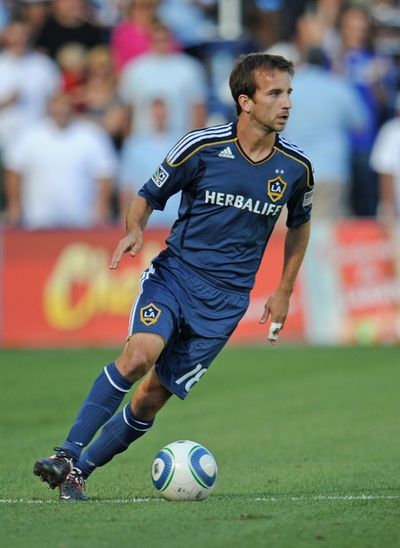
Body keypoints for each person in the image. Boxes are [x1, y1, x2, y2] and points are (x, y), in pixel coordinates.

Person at [33, 53, 314, 501]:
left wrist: (283, 290)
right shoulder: (201, 147)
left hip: (224, 304)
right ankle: (66, 453)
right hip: (176, 276)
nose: (286, 103)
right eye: (275, 93)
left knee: (149, 400)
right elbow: (147, 194)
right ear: (245, 101)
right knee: (139, 355)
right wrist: (134, 229)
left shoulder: (295, 168)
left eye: (289, 93)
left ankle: (78, 474)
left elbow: (300, 225)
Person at [4, 92, 117, 228]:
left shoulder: (91, 135)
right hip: (37, 220)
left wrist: (102, 208)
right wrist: (15, 205)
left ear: (72, 108)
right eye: (57, 108)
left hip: (81, 221)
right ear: (49, 108)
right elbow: (14, 170)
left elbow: (104, 174)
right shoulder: (30, 135)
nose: (61, 112)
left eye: (65, 107)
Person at [119, 22, 207, 136]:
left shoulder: (189, 68)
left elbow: (198, 110)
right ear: (149, 41)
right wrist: (129, 142)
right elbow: (128, 111)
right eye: (157, 40)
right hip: (142, 140)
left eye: (164, 39)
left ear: (172, 40)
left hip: (179, 139)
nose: (161, 44)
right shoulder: (134, 69)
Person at [370, 92, 400, 221]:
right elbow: (385, 171)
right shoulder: (393, 131)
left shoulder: (393, 131)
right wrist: (388, 208)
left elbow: (385, 171)